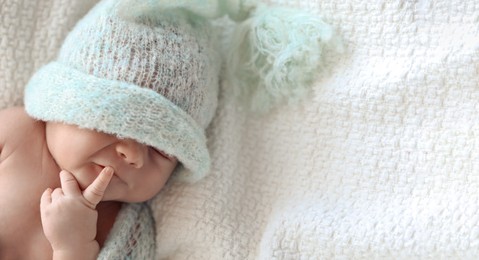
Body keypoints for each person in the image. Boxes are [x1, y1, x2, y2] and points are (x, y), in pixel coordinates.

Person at [0, 0, 336, 259]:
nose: (132, 154)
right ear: (61, 102)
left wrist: (73, 247)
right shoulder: (16, 133)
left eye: (162, 149)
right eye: (115, 121)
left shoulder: (125, 228)